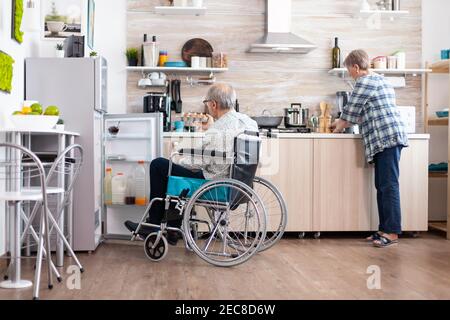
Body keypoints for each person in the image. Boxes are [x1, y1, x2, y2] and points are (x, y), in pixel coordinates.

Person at [125, 83, 258, 244]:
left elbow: (199, 162)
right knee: (175, 174)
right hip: (237, 183)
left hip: (214, 184)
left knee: (159, 165)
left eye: (207, 103)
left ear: (213, 104)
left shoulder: (218, 129)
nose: (207, 107)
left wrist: (178, 159)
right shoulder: (248, 122)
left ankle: (153, 225)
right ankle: (172, 229)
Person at [330, 49, 409, 248]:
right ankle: (384, 229)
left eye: (350, 71)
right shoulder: (380, 80)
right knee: (382, 186)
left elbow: (351, 111)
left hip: (387, 137)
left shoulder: (365, 82)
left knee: (388, 186)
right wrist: (341, 123)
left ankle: (391, 232)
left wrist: (337, 127)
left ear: (356, 67)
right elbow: (358, 114)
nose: (350, 75)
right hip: (387, 138)